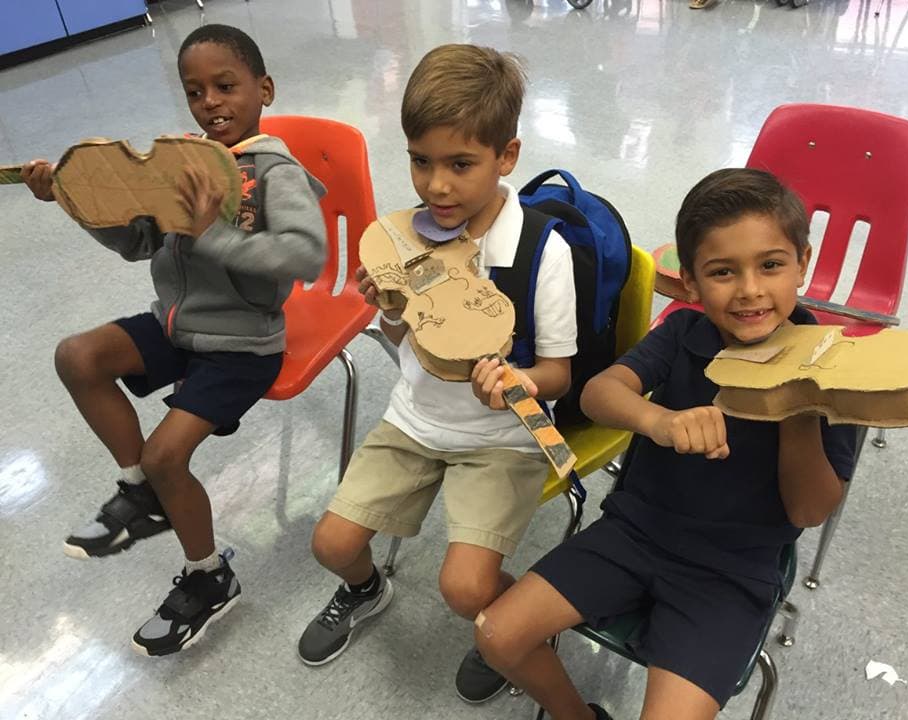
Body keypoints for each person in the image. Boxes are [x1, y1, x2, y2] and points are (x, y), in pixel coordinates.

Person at [473, 168, 859, 720]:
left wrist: (795, 409)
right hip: (635, 534)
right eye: (723, 272)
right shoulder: (683, 334)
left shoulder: (836, 370)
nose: (750, 290)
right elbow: (600, 394)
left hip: (732, 572)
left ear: (804, 262)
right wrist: (659, 421)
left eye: (771, 265)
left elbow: (809, 509)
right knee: (497, 635)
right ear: (693, 284)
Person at [21, 24, 327, 657]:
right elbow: (139, 242)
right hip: (177, 327)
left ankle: (208, 573)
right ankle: (141, 491)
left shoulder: (273, 172)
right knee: (77, 356)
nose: (210, 102)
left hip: (244, 345)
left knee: (169, 456)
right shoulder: (182, 162)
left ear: (263, 89)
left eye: (225, 86)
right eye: (195, 91)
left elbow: (306, 256)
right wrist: (73, 204)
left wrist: (210, 234)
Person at [296, 43, 578, 706]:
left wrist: (520, 380)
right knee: (332, 543)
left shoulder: (542, 250)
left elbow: (560, 373)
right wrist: (387, 307)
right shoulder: (407, 236)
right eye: (420, 162)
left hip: (501, 437)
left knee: (467, 589)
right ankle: (367, 589)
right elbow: (411, 341)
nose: (436, 187)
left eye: (460, 165)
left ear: (506, 156)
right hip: (415, 419)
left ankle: (521, 632)